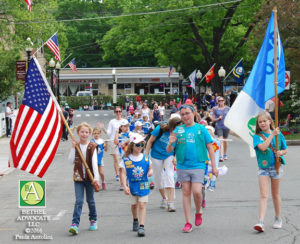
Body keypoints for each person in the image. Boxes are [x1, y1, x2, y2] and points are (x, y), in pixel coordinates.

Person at [167, 104, 218, 233]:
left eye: (187, 113)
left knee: (196, 191)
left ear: (194, 113)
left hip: (199, 164)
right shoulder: (178, 130)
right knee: (185, 192)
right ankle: (188, 222)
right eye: (182, 114)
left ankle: (198, 210)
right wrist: (171, 142)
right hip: (183, 164)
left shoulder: (201, 129)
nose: (185, 116)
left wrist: (214, 166)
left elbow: (210, 148)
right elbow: (169, 150)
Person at [253, 111, 287, 232]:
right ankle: (260, 221)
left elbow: (285, 149)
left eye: (264, 121)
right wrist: (272, 135)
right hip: (263, 169)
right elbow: (262, 147)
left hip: (276, 167)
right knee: (264, 195)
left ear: (270, 121)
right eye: (260, 121)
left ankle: (278, 218)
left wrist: (280, 153)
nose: (262, 123)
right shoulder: (257, 136)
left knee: (275, 194)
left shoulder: (279, 134)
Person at [68, 122, 100, 235]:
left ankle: (93, 219)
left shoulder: (92, 146)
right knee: (79, 201)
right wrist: (73, 148)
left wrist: (96, 178)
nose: (84, 134)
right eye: (82, 132)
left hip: (90, 178)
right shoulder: (76, 146)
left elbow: (95, 163)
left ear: (89, 134)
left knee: (90, 200)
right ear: (78, 133)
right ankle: (75, 224)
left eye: (86, 132)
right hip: (78, 178)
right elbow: (71, 161)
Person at [145, 114, 182, 212]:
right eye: (177, 127)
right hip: (156, 154)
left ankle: (171, 203)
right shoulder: (160, 129)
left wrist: (175, 157)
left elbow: (177, 146)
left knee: (169, 175)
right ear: (172, 126)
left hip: (169, 154)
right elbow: (150, 141)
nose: (178, 129)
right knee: (158, 178)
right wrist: (146, 155)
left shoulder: (179, 133)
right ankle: (164, 198)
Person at [119, 133, 153, 237]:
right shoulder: (126, 159)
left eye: (142, 145)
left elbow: (150, 167)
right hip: (132, 185)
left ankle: (141, 226)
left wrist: (150, 171)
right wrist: (125, 186)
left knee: (142, 205)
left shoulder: (146, 158)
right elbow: (123, 173)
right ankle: (135, 219)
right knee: (134, 205)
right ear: (132, 145)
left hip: (143, 184)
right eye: (137, 145)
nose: (140, 147)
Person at [99, 107, 124, 181]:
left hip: (123, 141)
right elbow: (109, 133)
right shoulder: (112, 121)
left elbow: (128, 131)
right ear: (115, 113)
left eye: (119, 111)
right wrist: (103, 128)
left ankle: (123, 172)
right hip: (113, 141)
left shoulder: (125, 121)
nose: (118, 113)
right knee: (116, 159)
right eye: (116, 111)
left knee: (123, 158)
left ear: (121, 112)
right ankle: (117, 174)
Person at [212, 96, 230, 161]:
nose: (221, 102)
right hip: (219, 126)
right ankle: (221, 156)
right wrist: (218, 118)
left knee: (225, 140)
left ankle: (225, 154)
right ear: (218, 102)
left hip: (226, 126)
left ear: (224, 101)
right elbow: (213, 119)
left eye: (222, 100)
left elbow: (231, 117)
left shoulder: (228, 108)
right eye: (219, 101)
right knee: (221, 140)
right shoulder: (216, 109)